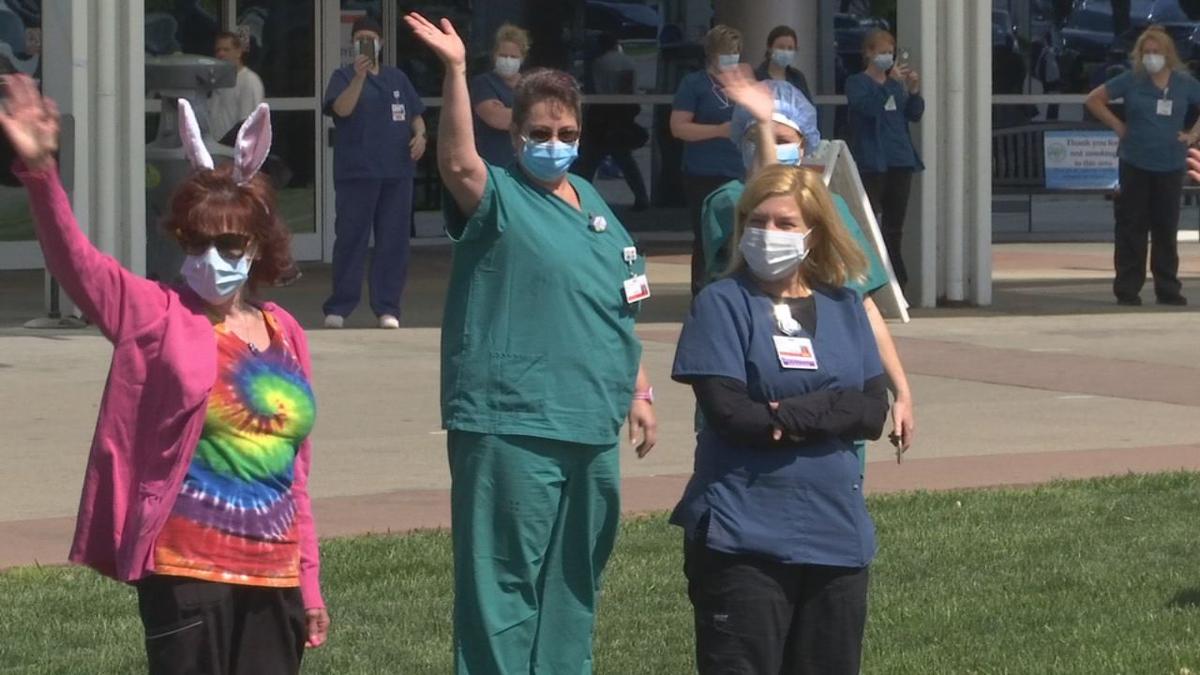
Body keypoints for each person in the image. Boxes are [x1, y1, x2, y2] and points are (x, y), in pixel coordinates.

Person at [0, 75, 329, 673]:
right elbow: (77, 264)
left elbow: (296, 474)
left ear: (259, 245)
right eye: (196, 241)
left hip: (275, 577)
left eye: (230, 244)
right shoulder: (156, 312)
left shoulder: (286, 333)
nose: (212, 258)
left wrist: (309, 584)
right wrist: (42, 173)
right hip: (187, 572)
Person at [404, 12, 658, 675]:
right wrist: (457, 71)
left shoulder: (604, 217)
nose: (554, 142)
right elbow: (458, 161)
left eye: (566, 133)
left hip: (592, 426)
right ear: (514, 136)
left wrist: (639, 390)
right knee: (504, 587)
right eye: (540, 132)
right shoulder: (500, 199)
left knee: (575, 582)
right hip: (512, 422)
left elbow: (621, 311)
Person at [672, 163, 889, 674]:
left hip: (836, 534)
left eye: (786, 224)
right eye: (758, 221)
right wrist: (833, 406)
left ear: (815, 234)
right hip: (743, 536)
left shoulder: (844, 307)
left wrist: (782, 413)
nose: (769, 234)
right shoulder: (721, 304)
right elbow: (731, 415)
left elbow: (873, 410)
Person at [700, 72, 915, 462]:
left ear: (805, 146)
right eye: (760, 141)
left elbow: (863, 306)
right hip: (757, 409)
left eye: (785, 140)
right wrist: (763, 123)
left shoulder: (832, 210)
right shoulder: (728, 203)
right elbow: (768, 192)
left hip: (827, 409)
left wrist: (901, 391)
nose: (771, 148)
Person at [322, 16, 427, 329]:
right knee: (351, 240)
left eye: (371, 38)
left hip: (396, 173)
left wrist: (420, 135)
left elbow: (415, 114)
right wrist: (359, 77)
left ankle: (387, 307)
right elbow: (341, 110)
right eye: (360, 38)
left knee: (392, 242)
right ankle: (340, 306)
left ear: (381, 43)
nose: (366, 43)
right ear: (353, 43)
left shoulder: (397, 79)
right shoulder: (342, 76)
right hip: (357, 172)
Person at [1085, 25, 1200, 306]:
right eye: (1146, 52)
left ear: (1168, 54)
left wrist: (1193, 134)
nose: (1151, 57)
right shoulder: (1131, 80)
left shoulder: (1184, 84)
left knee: (1165, 228)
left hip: (1170, 164)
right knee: (1131, 226)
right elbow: (1094, 99)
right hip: (1135, 161)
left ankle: (1167, 287)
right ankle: (1127, 287)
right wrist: (1118, 125)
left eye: (1156, 52)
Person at [846, 28, 924, 292]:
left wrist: (913, 92)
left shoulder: (895, 87)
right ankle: (873, 279)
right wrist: (889, 83)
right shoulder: (857, 83)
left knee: (894, 226)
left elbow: (912, 115)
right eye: (881, 52)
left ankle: (896, 281)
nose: (887, 58)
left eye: (890, 53)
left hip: (899, 160)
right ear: (868, 53)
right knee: (870, 223)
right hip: (872, 162)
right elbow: (868, 108)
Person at [671, 24, 746, 295]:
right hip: (704, 172)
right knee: (706, 238)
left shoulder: (741, 84)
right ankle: (702, 293)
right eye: (727, 52)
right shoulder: (694, 84)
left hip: (738, 170)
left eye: (736, 52)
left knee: (738, 235)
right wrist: (719, 131)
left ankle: (733, 291)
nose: (732, 57)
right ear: (713, 53)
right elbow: (679, 127)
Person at [573, 31, 651, 211]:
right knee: (625, 160)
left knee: (590, 160)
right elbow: (629, 88)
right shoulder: (628, 61)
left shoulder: (599, 63)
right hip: (622, 114)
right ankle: (641, 197)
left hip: (602, 115)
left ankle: (578, 196)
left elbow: (596, 90)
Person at [470, 23, 528, 167]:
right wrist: (534, 113)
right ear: (494, 55)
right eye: (503, 55)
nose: (508, 60)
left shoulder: (531, 84)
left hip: (526, 165)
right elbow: (497, 118)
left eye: (513, 56)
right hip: (494, 164)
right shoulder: (483, 83)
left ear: (522, 58)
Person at [210, 30, 266, 144]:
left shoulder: (248, 81)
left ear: (238, 52)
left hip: (235, 153)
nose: (221, 54)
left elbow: (248, 124)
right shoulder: (218, 83)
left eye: (226, 50)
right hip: (216, 152)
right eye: (218, 50)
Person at [753, 25, 814, 103]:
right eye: (781, 47)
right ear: (769, 48)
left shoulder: (797, 78)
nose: (786, 52)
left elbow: (807, 108)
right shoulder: (755, 77)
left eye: (790, 48)